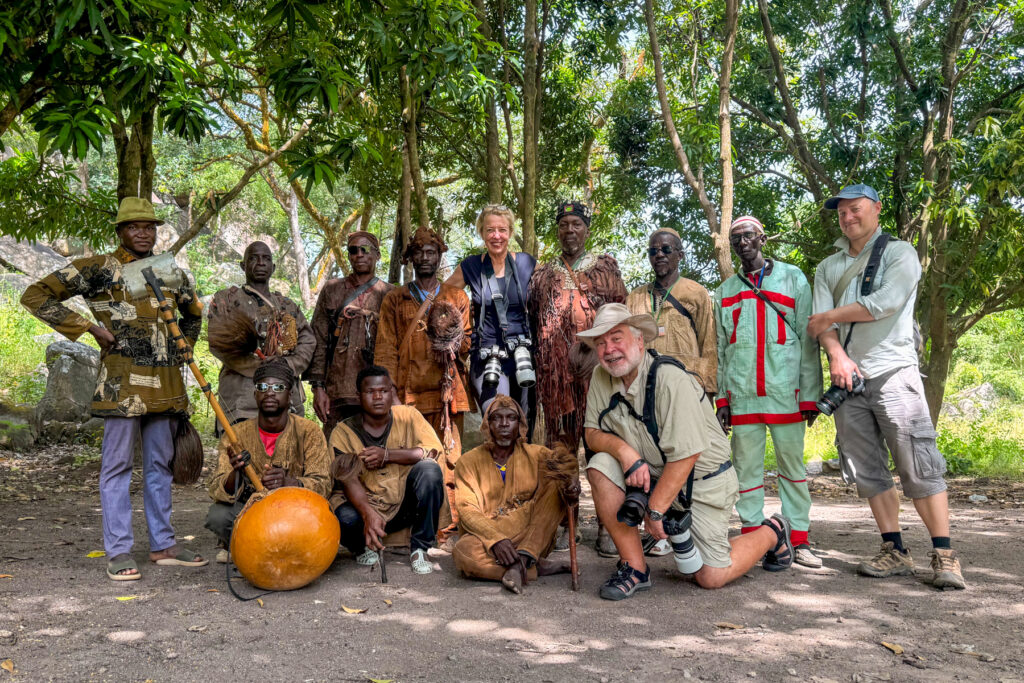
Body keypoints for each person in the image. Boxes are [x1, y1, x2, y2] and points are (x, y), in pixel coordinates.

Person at [21, 196, 207, 581]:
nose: (143, 233)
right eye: (135, 226)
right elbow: (36, 295)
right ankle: (119, 551)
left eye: (150, 226)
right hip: (122, 383)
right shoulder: (100, 268)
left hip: (167, 383)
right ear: (120, 231)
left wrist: (182, 348)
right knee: (117, 466)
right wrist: (91, 329)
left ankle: (164, 545)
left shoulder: (167, 268)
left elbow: (193, 312)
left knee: (160, 466)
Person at [807, 184, 965, 589]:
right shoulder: (827, 267)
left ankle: (945, 554)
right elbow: (821, 326)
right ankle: (894, 549)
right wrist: (837, 356)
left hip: (894, 370)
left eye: (855, 209)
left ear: (876, 209)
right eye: (842, 212)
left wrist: (829, 317)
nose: (848, 218)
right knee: (866, 469)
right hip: (847, 379)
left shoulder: (900, 252)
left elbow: (887, 302)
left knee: (918, 463)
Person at [581, 304, 794, 600]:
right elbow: (592, 434)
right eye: (601, 343)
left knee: (709, 576)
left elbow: (686, 455)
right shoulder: (600, 377)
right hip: (653, 474)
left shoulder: (670, 378)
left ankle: (773, 531)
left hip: (702, 483)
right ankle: (635, 568)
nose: (609, 350)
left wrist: (655, 510)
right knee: (601, 464)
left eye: (616, 339)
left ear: (639, 340)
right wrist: (625, 452)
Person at [714, 216, 823, 569]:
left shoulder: (793, 279)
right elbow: (719, 349)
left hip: (785, 392)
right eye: (735, 239)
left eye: (747, 237)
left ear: (761, 239)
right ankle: (751, 535)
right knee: (746, 470)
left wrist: (810, 394)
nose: (742, 243)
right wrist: (722, 399)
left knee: (792, 468)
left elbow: (809, 341)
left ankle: (798, 537)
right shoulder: (725, 291)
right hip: (743, 395)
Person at [527, 200, 627, 556]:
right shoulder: (543, 273)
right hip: (555, 380)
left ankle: (607, 525)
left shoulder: (604, 270)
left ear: (587, 229)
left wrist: (596, 348)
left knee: (601, 446)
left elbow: (619, 317)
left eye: (577, 224)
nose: (570, 230)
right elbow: (533, 320)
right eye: (564, 224)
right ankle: (562, 522)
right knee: (560, 450)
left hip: (597, 375)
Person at [374, 226, 472, 547]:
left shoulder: (456, 297)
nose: (425, 257)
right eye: (419, 252)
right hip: (408, 394)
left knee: (450, 458)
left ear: (440, 256)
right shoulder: (395, 299)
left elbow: (468, 341)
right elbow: (386, 348)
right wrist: (391, 396)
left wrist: (453, 342)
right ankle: (412, 524)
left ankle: (448, 526)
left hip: (447, 395)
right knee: (411, 459)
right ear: (410, 258)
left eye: (431, 252)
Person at [205, 357, 331, 561]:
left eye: (278, 387)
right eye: (263, 387)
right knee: (218, 516)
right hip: (253, 513)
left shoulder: (309, 431)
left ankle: (290, 550)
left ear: (290, 396)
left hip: (296, 513)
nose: (270, 392)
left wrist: (289, 483)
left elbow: (324, 484)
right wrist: (235, 473)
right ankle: (247, 546)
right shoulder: (235, 434)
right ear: (255, 395)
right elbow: (216, 489)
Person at [452, 396, 577, 594]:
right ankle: (531, 566)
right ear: (488, 424)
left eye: (511, 418)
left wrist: (571, 485)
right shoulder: (467, 462)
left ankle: (525, 558)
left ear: (520, 424)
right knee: (462, 552)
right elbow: (467, 510)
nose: (504, 424)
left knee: (556, 481)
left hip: (533, 533)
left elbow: (567, 479)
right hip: (490, 535)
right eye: (497, 418)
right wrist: (496, 540)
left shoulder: (539, 454)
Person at [328, 366, 445, 575]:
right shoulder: (343, 432)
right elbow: (348, 479)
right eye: (370, 392)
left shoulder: (409, 416)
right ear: (359, 396)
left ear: (392, 393)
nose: (377, 397)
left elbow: (431, 450)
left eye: (383, 390)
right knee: (342, 516)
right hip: (364, 507)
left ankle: (420, 547)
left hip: (401, 504)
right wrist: (368, 512)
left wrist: (387, 455)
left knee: (430, 470)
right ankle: (361, 547)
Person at [207, 241, 315, 431]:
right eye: (254, 258)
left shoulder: (287, 306)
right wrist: (258, 366)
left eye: (266, 258)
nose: (261, 263)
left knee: (286, 456)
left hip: (284, 399)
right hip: (242, 399)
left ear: (273, 267)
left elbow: (307, 340)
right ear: (243, 265)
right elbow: (219, 342)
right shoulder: (227, 300)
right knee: (242, 455)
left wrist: (286, 365)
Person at [445, 204, 536, 426]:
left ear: (510, 233)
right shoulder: (472, 266)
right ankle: (494, 462)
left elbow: (547, 299)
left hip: (522, 353)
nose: (497, 236)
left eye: (502, 230)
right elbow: (442, 298)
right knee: (498, 417)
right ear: (482, 233)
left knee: (524, 421)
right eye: (490, 230)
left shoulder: (526, 263)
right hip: (487, 354)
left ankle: (521, 461)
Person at [307, 231, 394, 438]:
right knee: (336, 447)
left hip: (377, 390)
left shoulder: (390, 294)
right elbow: (318, 338)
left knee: (376, 447)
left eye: (365, 249)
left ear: (377, 255)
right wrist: (318, 387)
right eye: (353, 250)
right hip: (337, 387)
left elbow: (396, 346)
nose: (359, 255)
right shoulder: (332, 289)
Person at [625, 227, 718, 395]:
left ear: (680, 255)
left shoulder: (696, 292)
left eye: (666, 249)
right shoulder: (635, 297)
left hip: (687, 385)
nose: (659, 254)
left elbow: (709, 343)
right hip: (644, 387)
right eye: (653, 251)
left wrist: (709, 391)